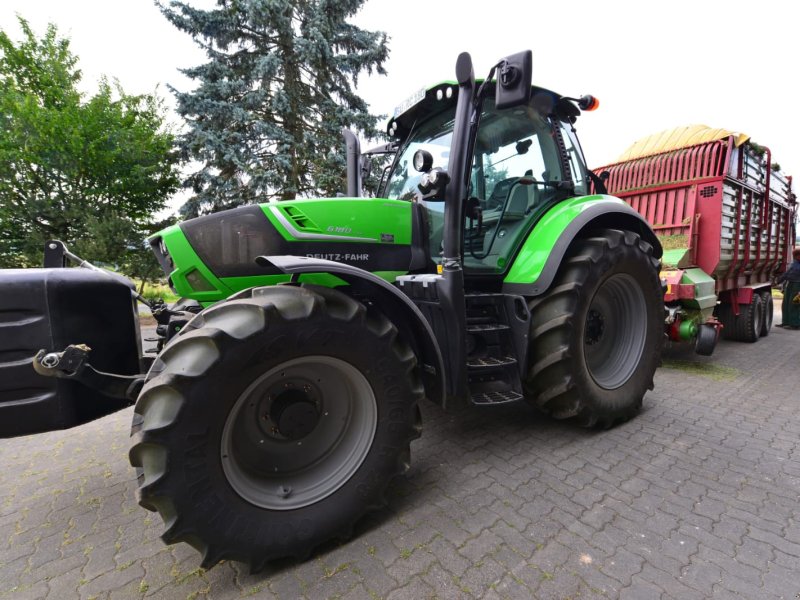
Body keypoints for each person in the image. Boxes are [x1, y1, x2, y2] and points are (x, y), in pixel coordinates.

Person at [776, 248, 800, 329]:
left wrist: (779, 280)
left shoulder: (796, 265)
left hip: (797, 285)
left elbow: (788, 274)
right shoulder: (795, 263)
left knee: (794, 304)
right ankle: (786, 322)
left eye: (796, 256)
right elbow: (788, 273)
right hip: (790, 284)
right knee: (785, 303)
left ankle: (795, 324)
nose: (795, 257)